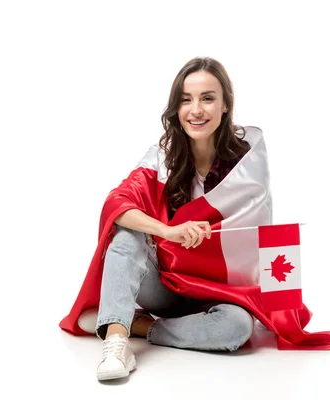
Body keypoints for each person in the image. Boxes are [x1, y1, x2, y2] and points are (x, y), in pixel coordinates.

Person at [86, 57, 256, 381]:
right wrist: (169, 231)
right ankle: (117, 338)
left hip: (216, 290)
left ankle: (141, 325)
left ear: (224, 105)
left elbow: (260, 233)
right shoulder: (162, 156)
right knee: (125, 235)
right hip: (165, 284)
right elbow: (117, 204)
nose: (196, 110)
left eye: (207, 98)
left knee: (238, 328)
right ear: (176, 108)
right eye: (185, 100)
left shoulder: (246, 164)